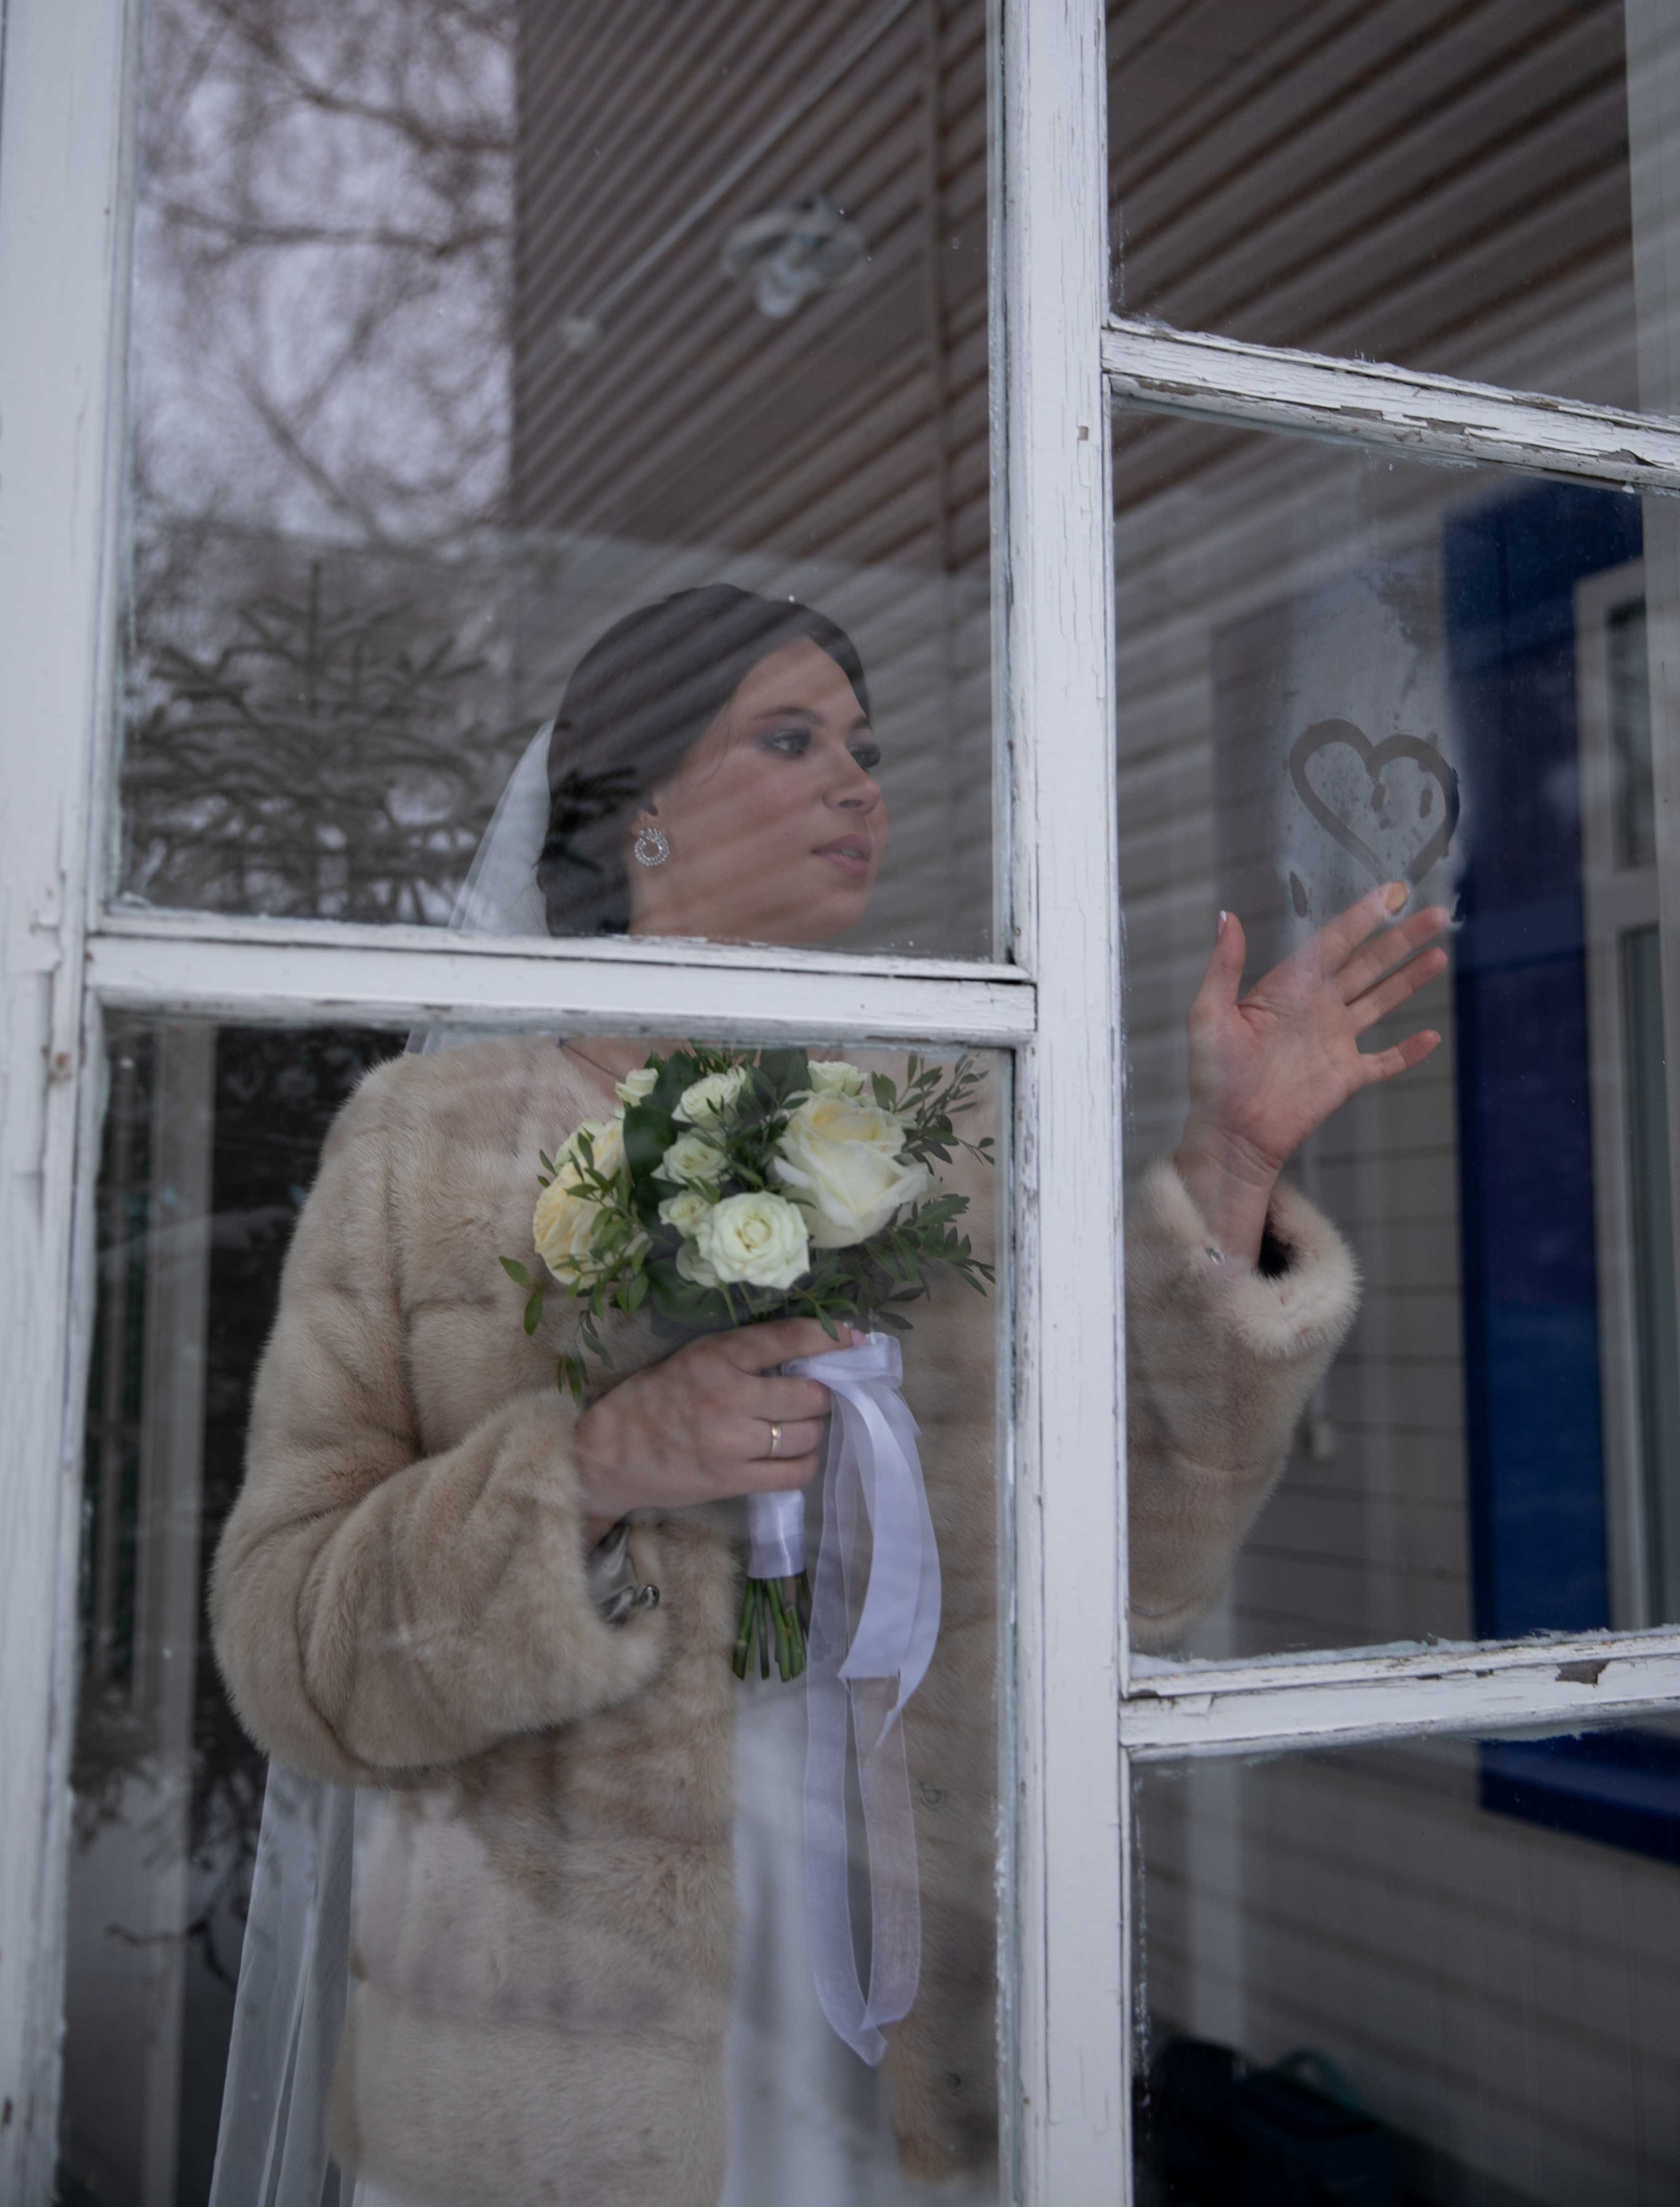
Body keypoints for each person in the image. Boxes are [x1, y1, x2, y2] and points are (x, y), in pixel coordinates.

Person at [211, 584, 1450, 2207]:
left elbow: (1134, 1568)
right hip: (541, 2064)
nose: (859, 784)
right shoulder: (423, 1141)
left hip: (902, 2010)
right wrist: (588, 1472)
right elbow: (287, 1654)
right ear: (631, 813)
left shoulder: (942, 1126)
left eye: (864, 747)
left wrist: (1231, 1165)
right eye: (789, 740)